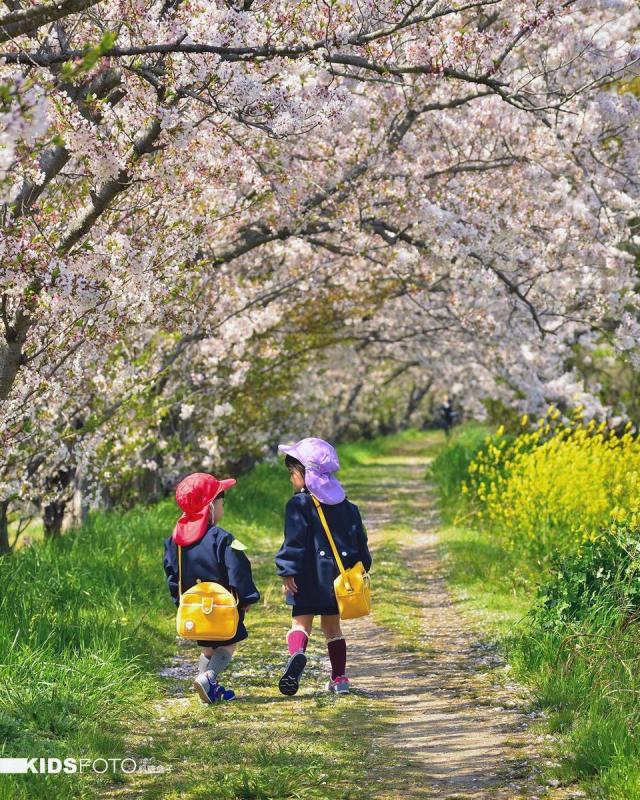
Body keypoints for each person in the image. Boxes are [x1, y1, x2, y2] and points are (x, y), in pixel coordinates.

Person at [274, 438, 372, 696]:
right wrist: (363, 568)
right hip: (337, 579)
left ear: (306, 473)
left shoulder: (299, 504)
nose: (291, 479)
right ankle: (339, 678)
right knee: (333, 630)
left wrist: (287, 570)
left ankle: (297, 655)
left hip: (306, 578)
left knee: (300, 624)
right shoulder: (348, 506)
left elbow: (293, 542)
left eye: (293, 473)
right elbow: (360, 541)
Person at [163, 472, 260, 703]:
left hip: (195, 608)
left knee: (208, 648)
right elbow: (238, 569)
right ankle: (208, 677)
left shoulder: (174, 541)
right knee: (228, 643)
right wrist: (246, 598)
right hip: (223, 607)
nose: (222, 509)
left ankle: (208, 687)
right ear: (210, 507)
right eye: (221, 504)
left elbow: (172, 574)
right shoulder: (222, 538)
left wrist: (180, 603)